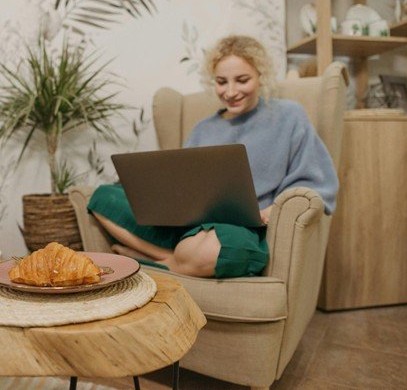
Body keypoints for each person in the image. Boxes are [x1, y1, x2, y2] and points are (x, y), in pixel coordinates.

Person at [87, 35, 339, 279]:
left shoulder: (289, 116)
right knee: (102, 197)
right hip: (191, 227)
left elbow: (316, 179)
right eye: (221, 82)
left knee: (213, 249)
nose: (230, 92)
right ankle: (170, 257)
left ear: (261, 77)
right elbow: (182, 185)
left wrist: (273, 209)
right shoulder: (203, 128)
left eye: (242, 80)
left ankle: (161, 261)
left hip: (243, 230)